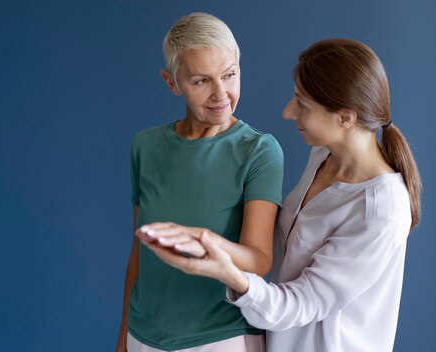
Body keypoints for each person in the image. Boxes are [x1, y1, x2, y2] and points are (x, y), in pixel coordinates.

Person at [140, 38, 422, 352]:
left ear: (345, 117)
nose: (288, 112)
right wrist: (206, 239)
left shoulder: (381, 208)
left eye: (302, 104)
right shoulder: (322, 156)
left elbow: (303, 303)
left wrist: (228, 273)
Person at [116, 12, 284, 352]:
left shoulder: (259, 151)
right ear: (171, 82)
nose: (220, 94)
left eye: (229, 75)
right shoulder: (145, 147)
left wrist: (205, 240)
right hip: (143, 336)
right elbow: (140, 253)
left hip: (221, 338)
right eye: (201, 81)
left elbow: (259, 259)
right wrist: (123, 339)